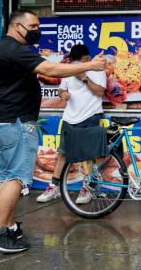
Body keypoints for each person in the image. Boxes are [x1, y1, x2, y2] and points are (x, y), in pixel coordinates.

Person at [0, 10, 106, 254]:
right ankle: (0, 233)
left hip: (5, 121)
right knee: (15, 178)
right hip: (16, 123)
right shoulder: (14, 49)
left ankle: (10, 225)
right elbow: (52, 70)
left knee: (4, 178)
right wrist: (92, 65)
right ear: (16, 26)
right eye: (34, 25)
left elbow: (43, 75)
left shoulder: (5, 49)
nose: (38, 30)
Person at [37, 44, 106, 205]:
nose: (75, 66)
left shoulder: (97, 70)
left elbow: (100, 92)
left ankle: (87, 188)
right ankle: (53, 187)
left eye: (78, 63)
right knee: (62, 154)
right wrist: (64, 94)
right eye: (73, 64)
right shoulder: (67, 71)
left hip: (90, 116)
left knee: (87, 155)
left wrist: (83, 77)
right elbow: (61, 90)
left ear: (87, 59)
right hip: (69, 117)